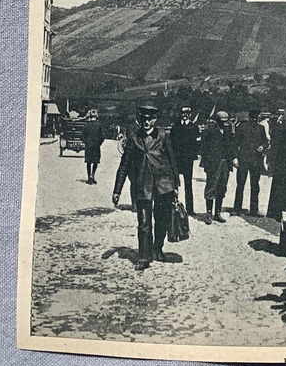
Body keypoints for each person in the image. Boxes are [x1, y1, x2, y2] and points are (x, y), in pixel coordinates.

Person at [112, 103, 180, 271]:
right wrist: (117, 190)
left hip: (163, 186)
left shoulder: (163, 136)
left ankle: (157, 249)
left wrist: (175, 184)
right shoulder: (134, 139)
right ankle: (144, 256)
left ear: (155, 120)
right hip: (143, 186)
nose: (146, 122)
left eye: (149, 119)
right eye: (143, 119)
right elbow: (124, 165)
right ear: (139, 119)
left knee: (162, 220)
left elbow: (172, 160)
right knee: (143, 223)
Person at [199, 111, 234, 223]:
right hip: (213, 164)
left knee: (222, 188)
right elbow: (204, 149)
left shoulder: (228, 131)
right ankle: (208, 214)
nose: (224, 124)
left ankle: (217, 213)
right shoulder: (209, 131)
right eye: (221, 122)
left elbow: (230, 146)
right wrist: (205, 164)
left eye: (226, 122)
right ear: (217, 121)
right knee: (211, 188)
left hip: (225, 163)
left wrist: (233, 159)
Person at [232, 110, 268, 215]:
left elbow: (265, 142)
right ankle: (237, 208)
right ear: (249, 117)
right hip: (243, 160)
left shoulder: (261, 128)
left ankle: (254, 209)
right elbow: (235, 143)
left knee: (255, 185)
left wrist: (263, 147)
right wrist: (235, 157)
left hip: (256, 161)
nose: (253, 120)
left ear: (257, 118)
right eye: (252, 118)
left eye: (255, 118)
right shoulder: (242, 127)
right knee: (240, 184)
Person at [170, 105, 200, 214]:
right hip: (177, 159)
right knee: (174, 184)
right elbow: (171, 143)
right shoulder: (175, 127)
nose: (184, 115)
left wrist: (193, 154)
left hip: (188, 160)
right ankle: (173, 207)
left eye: (187, 113)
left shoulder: (194, 127)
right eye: (183, 113)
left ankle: (190, 209)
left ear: (190, 114)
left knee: (188, 184)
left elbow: (197, 144)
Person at [82, 109, 104, 185]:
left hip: (88, 146)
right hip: (96, 146)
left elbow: (82, 136)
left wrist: (86, 143)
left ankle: (89, 178)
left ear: (90, 116)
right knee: (95, 161)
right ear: (96, 116)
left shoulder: (86, 125)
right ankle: (93, 175)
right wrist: (98, 143)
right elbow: (103, 136)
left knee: (88, 162)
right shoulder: (99, 125)